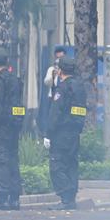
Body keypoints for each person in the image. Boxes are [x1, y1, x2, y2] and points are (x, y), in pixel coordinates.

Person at [44, 57, 86, 210]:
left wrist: (48, 134)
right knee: (71, 165)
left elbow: (55, 113)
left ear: (60, 70)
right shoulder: (79, 86)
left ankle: (65, 198)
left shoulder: (62, 88)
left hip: (60, 134)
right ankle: (71, 199)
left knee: (57, 166)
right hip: (74, 133)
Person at [0, 48, 24, 210]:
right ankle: (15, 199)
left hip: (2, 129)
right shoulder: (16, 80)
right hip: (14, 128)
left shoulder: (0, 81)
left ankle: (2, 198)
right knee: (12, 161)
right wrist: (17, 124)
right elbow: (19, 107)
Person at [41, 45, 67, 135]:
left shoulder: (68, 69)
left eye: (61, 57)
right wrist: (54, 75)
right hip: (52, 96)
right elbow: (46, 82)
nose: (59, 60)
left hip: (64, 96)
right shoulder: (52, 69)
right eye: (57, 57)